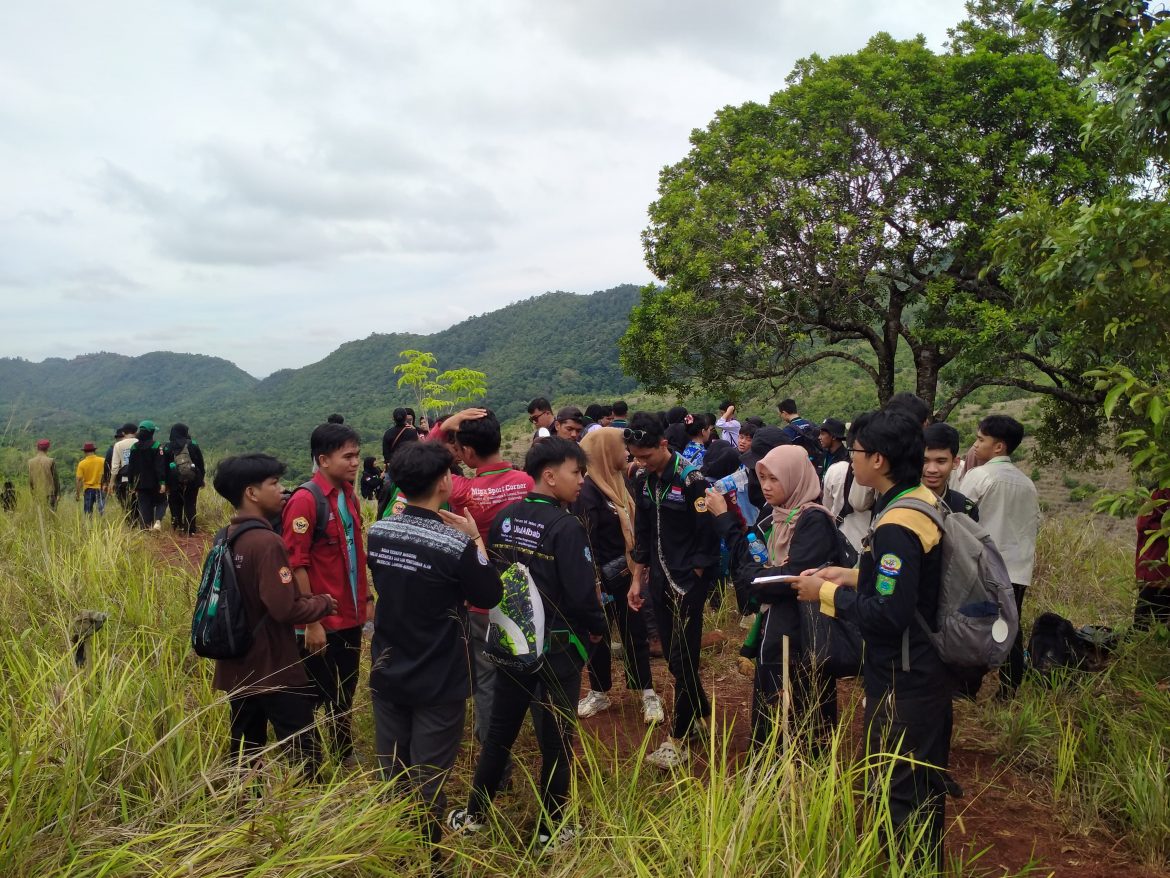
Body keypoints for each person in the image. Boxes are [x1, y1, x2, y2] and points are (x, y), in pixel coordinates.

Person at [790, 408, 951, 871]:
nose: (851, 460)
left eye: (856, 451)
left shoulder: (898, 523)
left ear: (878, 460)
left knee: (900, 786)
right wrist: (852, 575)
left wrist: (823, 593)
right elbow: (907, 584)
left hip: (905, 675)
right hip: (926, 667)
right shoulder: (919, 501)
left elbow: (889, 614)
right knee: (921, 782)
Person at [448, 438, 607, 847]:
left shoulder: (504, 518)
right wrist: (595, 632)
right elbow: (581, 594)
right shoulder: (566, 527)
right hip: (557, 649)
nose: (581, 481)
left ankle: (475, 816)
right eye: (576, 472)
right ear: (550, 476)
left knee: (500, 731)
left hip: (513, 642)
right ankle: (552, 829)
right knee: (556, 739)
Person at [366, 442, 503, 859]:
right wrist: (475, 539)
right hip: (438, 671)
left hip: (388, 662)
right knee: (429, 771)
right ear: (444, 481)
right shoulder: (453, 543)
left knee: (393, 763)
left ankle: (393, 843)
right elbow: (490, 593)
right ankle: (426, 855)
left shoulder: (379, 532)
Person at [210, 454, 338, 773]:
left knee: (245, 745)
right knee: (303, 747)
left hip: (237, 660)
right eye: (274, 484)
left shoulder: (224, 537)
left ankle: (246, 808)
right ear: (251, 493)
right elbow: (283, 607)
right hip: (273, 664)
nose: (281, 490)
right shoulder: (267, 542)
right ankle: (312, 812)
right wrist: (322, 603)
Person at [706, 445, 841, 748]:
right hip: (777, 626)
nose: (766, 486)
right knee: (773, 704)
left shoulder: (812, 520)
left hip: (800, 634)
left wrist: (756, 577)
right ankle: (773, 773)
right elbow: (749, 563)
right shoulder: (779, 515)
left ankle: (800, 777)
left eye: (774, 479)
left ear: (795, 477)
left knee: (799, 706)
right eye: (762, 477)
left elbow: (791, 576)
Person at [440, 408, 535, 762]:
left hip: (483, 600)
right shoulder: (527, 482)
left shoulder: (464, 490)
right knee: (532, 667)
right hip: (529, 596)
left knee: (487, 677)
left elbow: (419, 466)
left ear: (465, 453)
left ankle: (494, 756)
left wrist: (443, 427)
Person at [625, 413, 720, 769]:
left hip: (688, 583)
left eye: (646, 456)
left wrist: (695, 575)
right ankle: (698, 711)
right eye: (635, 456)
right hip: (658, 581)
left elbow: (707, 532)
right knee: (672, 654)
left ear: (663, 444)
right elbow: (643, 532)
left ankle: (678, 738)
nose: (641, 462)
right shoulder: (642, 479)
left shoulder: (690, 479)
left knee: (684, 657)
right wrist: (637, 579)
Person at [282, 422, 371, 766]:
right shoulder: (306, 501)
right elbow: (296, 564)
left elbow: (353, 554)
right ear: (323, 459)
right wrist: (312, 621)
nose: (354, 463)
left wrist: (367, 601)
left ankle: (343, 752)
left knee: (344, 690)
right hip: (323, 621)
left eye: (356, 455)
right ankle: (307, 762)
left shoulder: (349, 495)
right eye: (347, 456)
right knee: (315, 692)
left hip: (350, 616)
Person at [573, 427, 664, 725]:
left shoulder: (620, 481)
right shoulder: (587, 491)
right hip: (600, 578)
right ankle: (599, 691)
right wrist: (594, 584)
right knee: (597, 635)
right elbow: (586, 541)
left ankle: (646, 691)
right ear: (604, 451)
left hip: (628, 573)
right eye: (620, 447)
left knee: (634, 632)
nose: (626, 453)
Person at [958, 415, 1040, 700]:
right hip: (1017, 569)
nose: (975, 445)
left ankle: (967, 688)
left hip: (984, 568)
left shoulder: (979, 476)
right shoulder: (1027, 483)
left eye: (981, 439)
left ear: (999, 447)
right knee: (1010, 627)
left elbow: (957, 516)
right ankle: (1009, 687)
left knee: (972, 625)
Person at [921, 423, 979, 520]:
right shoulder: (899, 502)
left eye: (941, 461)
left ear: (955, 463)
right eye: (924, 461)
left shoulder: (966, 508)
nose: (932, 469)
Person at [1135, 487, 1170, 628]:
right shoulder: (1160, 493)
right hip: (1156, 573)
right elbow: (1144, 523)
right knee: (1143, 625)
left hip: (1158, 573)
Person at [125, 422, 167, 529]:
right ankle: (157, 521)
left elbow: (131, 468)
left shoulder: (134, 447)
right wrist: (162, 482)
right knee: (161, 502)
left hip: (140, 483)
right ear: (151, 432)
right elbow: (160, 466)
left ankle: (146, 530)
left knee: (144, 507)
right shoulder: (156, 446)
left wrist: (131, 484)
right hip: (155, 482)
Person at [165, 423, 205, 534]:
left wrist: (164, 482)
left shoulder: (168, 446)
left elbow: (164, 466)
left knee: (175, 503)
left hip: (173, 479)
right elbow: (200, 464)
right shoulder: (192, 444)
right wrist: (201, 479)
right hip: (192, 478)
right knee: (190, 503)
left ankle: (177, 526)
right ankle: (190, 529)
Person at [108, 422, 139, 520]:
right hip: (139, 478)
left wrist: (111, 482)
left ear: (123, 433)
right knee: (138, 504)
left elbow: (115, 466)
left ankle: (130, 523)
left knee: (126, 504)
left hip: (124, 478)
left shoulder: (118, 445)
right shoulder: (139, 442)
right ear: (136, 432)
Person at [75, 442, 105, 516]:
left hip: (88, 489)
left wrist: (77, 494)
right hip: (100, 488)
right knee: (101, 512)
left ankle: (89, 526)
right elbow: (107, 474)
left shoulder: (82, 463)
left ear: (84, 452)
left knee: (88, 512)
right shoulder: (102, 460)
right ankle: (102, 526)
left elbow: (78, 480)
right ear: (94, 450)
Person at [27, 439, 59, 509]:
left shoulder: (30, 462)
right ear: (47, 449)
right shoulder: (51, 461)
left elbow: (30, 481)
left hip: (37, 494)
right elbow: (55, 480)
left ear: (37, 448)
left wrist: (33, 495)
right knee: (51, 517)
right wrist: (57, 494)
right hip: (50, 494)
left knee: (40, 517)